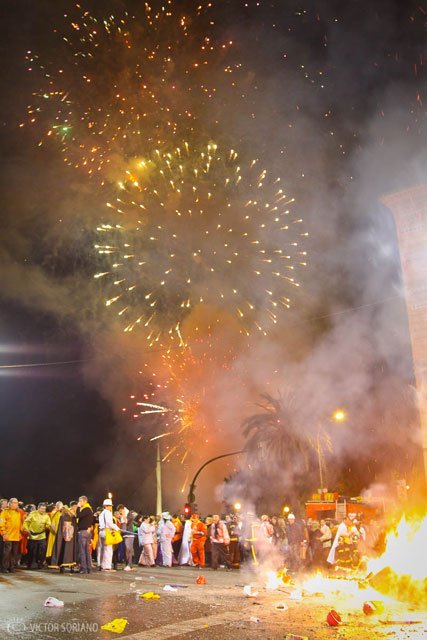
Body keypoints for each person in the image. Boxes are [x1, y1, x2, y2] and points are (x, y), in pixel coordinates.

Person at [49, 505, 78, 573]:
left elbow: (59, 527)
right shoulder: (73, 517)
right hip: (71, 537)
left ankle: (62, 567)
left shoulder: (62, 517)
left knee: (62, 550)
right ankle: (72, 567)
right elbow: (75, 527)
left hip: (63, 536)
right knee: (71, 551)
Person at [23, 503, 51, 569]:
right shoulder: (32, 514)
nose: (43, 510)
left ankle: (40, 563)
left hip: (42, 535)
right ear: (38, 508)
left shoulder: (46, 516)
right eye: (42, 509)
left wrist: (49, 527)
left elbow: (48, 524)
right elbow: (26, 522)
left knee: (43, 548)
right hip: (32, 535)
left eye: (44, 509)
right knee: (31, 550)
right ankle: (30, 563)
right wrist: (26, 529)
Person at [0, 498, 23, 573]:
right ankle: (4, 567)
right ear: (10, 503)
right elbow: (1, 523)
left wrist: (20, 533)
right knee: (7, 552)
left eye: (17, 503)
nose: (16, 504)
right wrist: (4, 533)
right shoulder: (5, 512)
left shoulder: (18, 512)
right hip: (8, 535)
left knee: (14, 552)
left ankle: (11, 567)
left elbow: (19, 524)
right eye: (15, 503)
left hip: (16, 536)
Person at [98, 498, 120, 571]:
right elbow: (109, 523)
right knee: (108, 550)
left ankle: (101, 564)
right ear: (106, 506)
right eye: (110, 506)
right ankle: (107, 566)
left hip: (101, 531)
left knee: (102, 549)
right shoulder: (108, 513)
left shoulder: (101, 513)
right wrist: (117, 528)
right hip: (107, 531)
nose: (110, 507)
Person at [76, 495, 94, 574]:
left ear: (85, 501)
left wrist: (78, 507)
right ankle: (89, 568)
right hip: (88, 532)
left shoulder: (86, 509)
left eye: (80, 501)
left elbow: (78, 515)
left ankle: (83, 568)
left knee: (82, 551)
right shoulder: (90, 509)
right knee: (87, 551)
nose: (79, 503)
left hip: (83, 531)